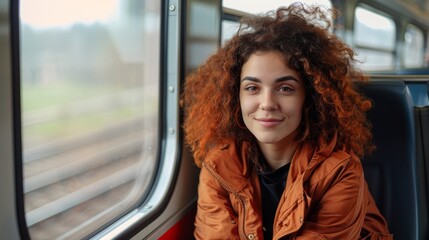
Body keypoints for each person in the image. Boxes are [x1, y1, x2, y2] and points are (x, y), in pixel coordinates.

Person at [181, 3, 392, 240]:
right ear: (234, 97)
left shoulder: (340, 171)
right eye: (252, 87)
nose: (267, 102)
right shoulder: (219, 166)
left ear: (309, 98)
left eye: (285, 88)